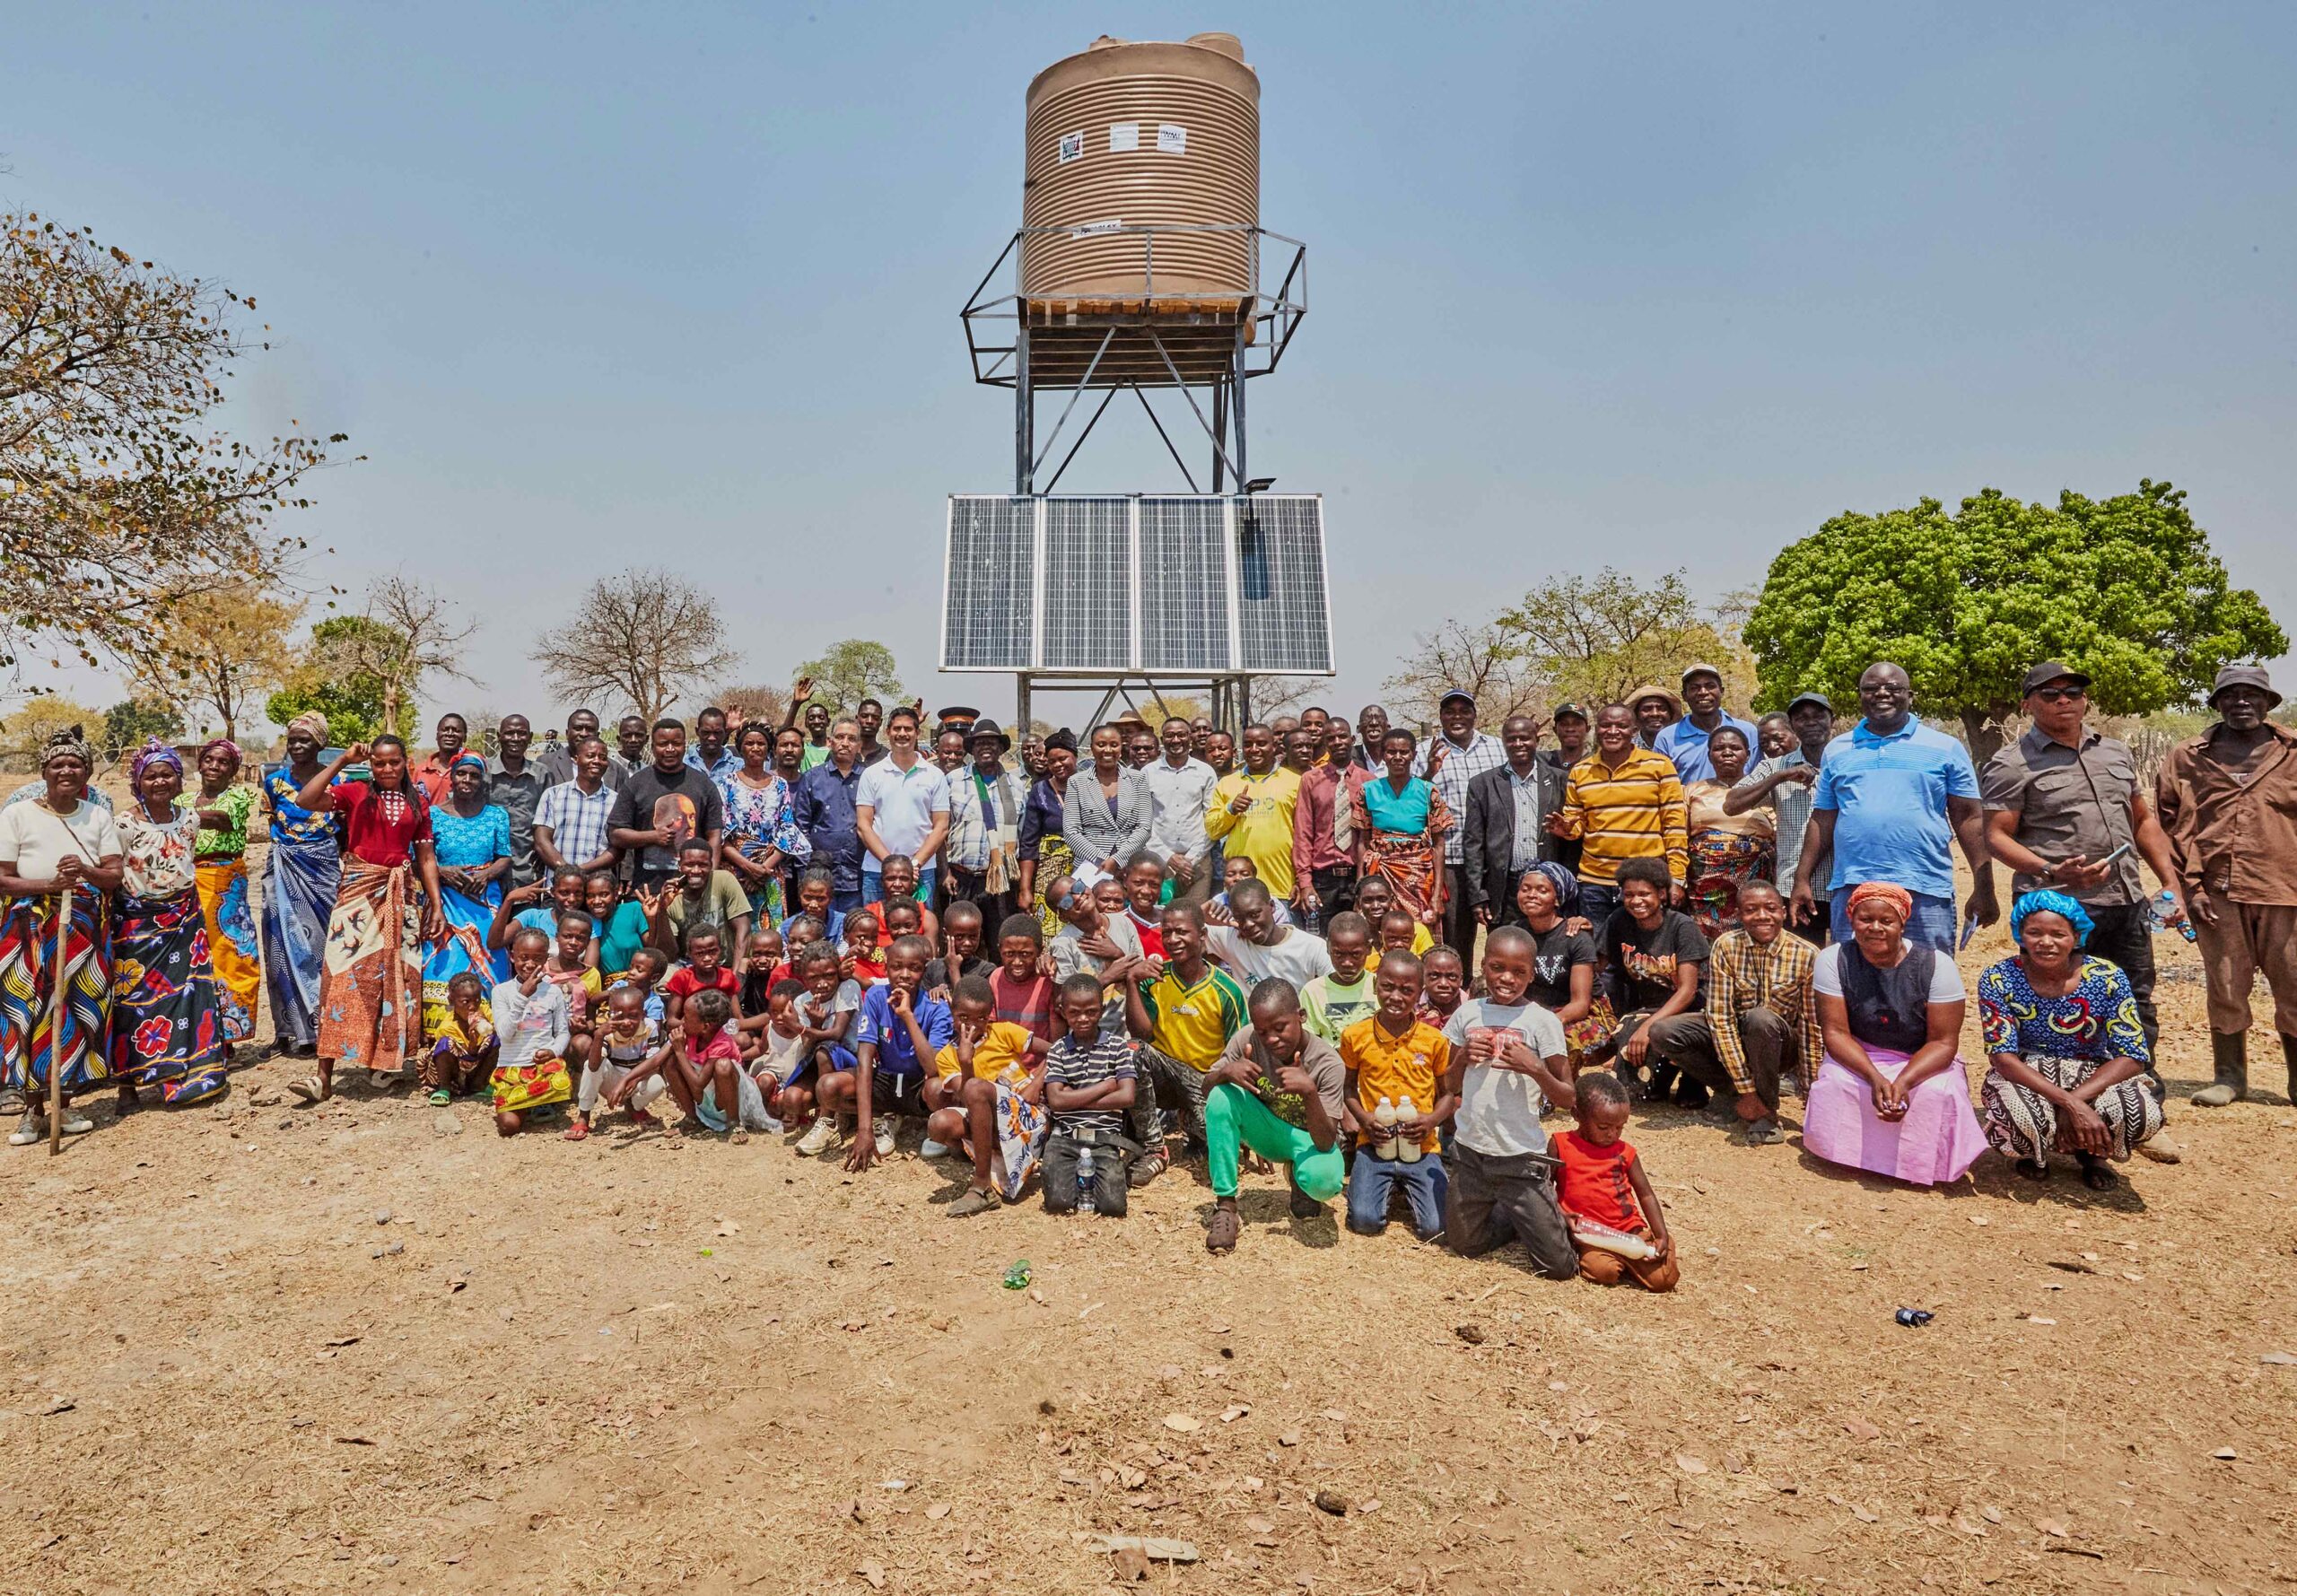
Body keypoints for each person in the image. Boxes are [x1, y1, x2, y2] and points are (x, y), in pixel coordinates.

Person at [1982, 661, 2188, 1069]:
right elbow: (1996, 836)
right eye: (2050, 694)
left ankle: (2140, 1102)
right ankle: (2055, 1102)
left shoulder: (2113, 752)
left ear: (2085, 700)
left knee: (2133, 1000)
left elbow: (2143, 821)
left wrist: (2171, 883)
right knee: (2054, 1002)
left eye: (2073, 693)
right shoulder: (2012, 763)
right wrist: (2053, 870)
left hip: (2124, 900)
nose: (2064, 700)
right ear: (2027, 704)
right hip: (2056, 907)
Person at [2156, 665, 2297, 1107]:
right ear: (2216, 703)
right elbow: (2163, 820)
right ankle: (2229, 1077)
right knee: (2225, 983)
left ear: (2268, 702)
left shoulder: (2294, 751)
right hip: (2212, 891)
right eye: (2230, 695)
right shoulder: (2188, 756)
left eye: (2252, 694)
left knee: (2294, 982)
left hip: (2286, 889)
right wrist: (2182, 888)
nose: (2241, 702)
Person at [1792, 662, 1996, 953]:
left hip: (1925, 887)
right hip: (1854, 886)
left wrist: (1984, 884)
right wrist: (1802, 878)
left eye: (1893, 688)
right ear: (1860, 696)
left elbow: (1968, 818)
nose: (1882, 693)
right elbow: (1823, 819)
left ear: (1910, 696)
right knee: (1856, 983)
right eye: (1871, 689)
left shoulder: (1945, 747)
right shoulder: (1837, 750)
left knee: (1927, 980)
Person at [289, 737, 445, 1103]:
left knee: (396, 976)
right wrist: (343, 760)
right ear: (371, 765)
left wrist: (435, 905)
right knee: (341, 974)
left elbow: (425, 858)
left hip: (401, 893)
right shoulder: (356, 792)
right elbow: (306, 799)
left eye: (393, 763)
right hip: (359, 890)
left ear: (406, 763)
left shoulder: (417, 802)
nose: (387, 770)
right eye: (379, 763)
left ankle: (383, 1066)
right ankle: (322, 1077)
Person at [1803, 881, 1987, 1186]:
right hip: (1862, 1053)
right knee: (1837, 1084)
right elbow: (1835, 1032)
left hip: (1920, 1058)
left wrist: (1903, 1081)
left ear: (1902, 922)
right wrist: (1875, 1078)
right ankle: (1851, 1158)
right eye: (1865, 919)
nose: (1875, 927)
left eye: (1886, 921)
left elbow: (1943, 1042)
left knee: (1936, 1093)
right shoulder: (1833, 959)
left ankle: (1921, 1166)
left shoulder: (1937, 965)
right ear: (1851, 920)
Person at [1978, 891, 2163, 1189]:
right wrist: (2068, 1103)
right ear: (2020, 935)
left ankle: (2093, 1156)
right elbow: (2002, 1056)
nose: (2046, 942)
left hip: (2092, 1069)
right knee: (2019, 1116)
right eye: (2034, 933)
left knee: (2142, 1113)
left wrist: (2074, 1102)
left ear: (2076, 936)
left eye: (2058, 934)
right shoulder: (1999, 977)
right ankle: (2034, 1153)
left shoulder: (2107, 976)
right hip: (2027, 1070)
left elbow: (2133, 1054)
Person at [0, 728, 123, 1140]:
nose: (66, 771)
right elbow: (2, 879)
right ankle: (31, 1112)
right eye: (58, 765)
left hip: (82, 926)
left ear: (87, 772)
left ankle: (64, 1106)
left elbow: (113, 876)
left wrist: (84, 872)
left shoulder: (98, 816)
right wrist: (52, 885)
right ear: (44, 772)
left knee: (71, 1009)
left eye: (75, 764)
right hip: (27, 928)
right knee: (28, 1009)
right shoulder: (18, 814)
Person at [1440, 925, 1579, 1279]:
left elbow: (1567, 1097)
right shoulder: (1467, 1014)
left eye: (1519, 972)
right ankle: (1512, 1216)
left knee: (1557, 1268)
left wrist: (1536, 1070)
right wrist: (1461, 1059)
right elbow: (1448, 1083)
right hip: (1472, 1153)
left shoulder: (1542, 1022)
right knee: (1464, 1245)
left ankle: (1528, 1212)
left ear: (1532, 974)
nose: (1507, 979)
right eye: (1498, 968)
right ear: (1484, 966)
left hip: (1520, 1159)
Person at [104, 740, 230, 1112]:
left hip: (184, 919)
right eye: (151, 776)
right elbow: (114, 872)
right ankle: (128, 1085)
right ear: (137, 783)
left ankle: (186, 1078)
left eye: (167, 775)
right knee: (132, 1003)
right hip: (137, 925)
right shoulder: (125, 823)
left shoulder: (188, 819)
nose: (160, 782)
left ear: (179, 780)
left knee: (189, 997)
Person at [1201, 980, 1348, 1254]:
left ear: (1301, 1016)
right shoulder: (1245, 1040)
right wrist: (1226, 1073)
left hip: (1308, 1139)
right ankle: (1226, 1206)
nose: (1270, 1039)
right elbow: (1205, 1090)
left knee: (1325, 1182)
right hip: (1265, 1131)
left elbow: (1327, 1142)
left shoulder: (1328, 1063)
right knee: (1221, 1096)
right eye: (1262, 1031)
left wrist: (1310, 1093)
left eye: (1280, 1028)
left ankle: (1299, 1177)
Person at [1122, 902, 1249, 1185]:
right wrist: (1131, 981)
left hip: (1206, 1081)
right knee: (1131, 1051)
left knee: (1214, 1156)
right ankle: (1155, 1149)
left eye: (1182, 932)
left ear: (1202, 935)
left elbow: (1240, 1057)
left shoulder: (1226, 991)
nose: (1173, 940)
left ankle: (1194, 1123)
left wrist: (1247, 1121)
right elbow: (1140, 1034)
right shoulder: (1154, 977)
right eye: (1167, 933)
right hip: (1164, 1074)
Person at [1341, 951, 1454, 1242]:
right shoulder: (1355, 1036)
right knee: (1364, 1222)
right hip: (1374, 1144)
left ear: (1420, 992)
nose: (1395, 997)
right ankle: (1386, 1184)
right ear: (1376, 983)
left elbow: (1448, 1095)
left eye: (1407, 990)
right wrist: (1365, 1120)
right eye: (1388, 986)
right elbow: (1349, 1088)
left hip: (1422, 1146)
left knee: (1436, 1230)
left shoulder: (1434, 1041)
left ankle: (1408, 1186)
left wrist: (1430, 1121)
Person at [1698, 880, 1818, 1146]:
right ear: (1739, 916)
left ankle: (1767, 1111)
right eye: (1751, 910)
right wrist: (1746, 1089)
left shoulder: (1808, 955)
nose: (1762, 916)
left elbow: (1811, 1028)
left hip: (1780, 1047)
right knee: (1668, 1032)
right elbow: (1721, 1019)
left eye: (1770, 908)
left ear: (1784, 912)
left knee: (1760, 1018)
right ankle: (1735, 1094)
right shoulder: (1725, 946)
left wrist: (1812, 1096)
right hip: (1739, 1040)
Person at [1550, 702, 1689, 931]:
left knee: (1646, 961)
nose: (1613, 731)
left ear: (1634, 731)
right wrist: (1566, 830)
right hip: (1595, 883)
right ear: (1596, 729)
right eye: (1606, 725)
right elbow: (1576, 822)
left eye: (1621, 726)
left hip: (1645, 883)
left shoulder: (1659, 766)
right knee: (1601, 958)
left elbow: (1674, 826)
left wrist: (1676, 878)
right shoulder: (1581, 771)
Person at [924, 972, 1052, 1211]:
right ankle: (985, 1159)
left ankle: (981, 1186)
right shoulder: (946, 1057)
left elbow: (1057, 1051)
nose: (971, 1026)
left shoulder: (1003, 1032)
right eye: (963, 1017)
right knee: (938, 1123)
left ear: (989, 1017)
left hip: (1029, 1120)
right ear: (952, 1013)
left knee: (976, 1088)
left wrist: (1036, 1082)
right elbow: (966, 1099)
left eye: (980, 1018)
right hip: (993, 1127)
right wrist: (965, 1062)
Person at [1601, 858, 1715, 1107]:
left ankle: (1693, 1080)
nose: (1636, 901)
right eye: (1629, 894)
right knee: (1627, 1040)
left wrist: (1647, 1027)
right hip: (1649, 1008)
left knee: (1655, 1031)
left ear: (1662, 894)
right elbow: (1596, 964)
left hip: (1691, 1009)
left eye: (1645, 894)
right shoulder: (1619, 921)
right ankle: (1658, 1081)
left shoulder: (1681, 927)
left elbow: (1688, 990)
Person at [260, 713, 340, 1057]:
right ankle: (285, 1031)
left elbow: (345, 830)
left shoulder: (339, 782)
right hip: (282, 867)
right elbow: (270, 826)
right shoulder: (273, 782)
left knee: (321, 948)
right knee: (277, 945)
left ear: (320, 745)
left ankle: (323, 1028)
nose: (296, 747)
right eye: (292, 740)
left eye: (304, 740)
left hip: (322, 871)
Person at [1554, 1072, 1679, 1292]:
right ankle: (1621, 1261)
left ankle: (1644, 1253)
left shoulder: (1625, 1152)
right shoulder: (1561, 1144)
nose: (1613, 1134)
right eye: (1604, 1127)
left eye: (1620, 1127)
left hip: (1629, 1230)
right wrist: (1561, 1213)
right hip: (1592, 1235)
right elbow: (1544, 1185)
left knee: (1664, 1281)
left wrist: (1661, 1234)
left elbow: (1646, 1194)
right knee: (1604, 1272)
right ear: (1577, 1114)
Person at [1411, 690, 1507, 974]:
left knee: (1499, 930)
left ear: (1474, 715)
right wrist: (1428, 772)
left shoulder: (1497, 748)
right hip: (1450, 859)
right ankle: (1458, 991)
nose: (1457, 717)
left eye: (1464, 710)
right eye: (1449, 711)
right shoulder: (1422, 751)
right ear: (1441, 716)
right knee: (1455, 935)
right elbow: (1411, 800)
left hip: (1492, 858)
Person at [1726, 691, 1834, 942]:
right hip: (1794, 888)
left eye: (1818, 716)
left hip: (1843, 883)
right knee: (1802, 965)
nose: (1811, 722)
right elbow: (1732, 804)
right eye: (1802, 718)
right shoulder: (1775, 767)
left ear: (1832, 720)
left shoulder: (1848, 761)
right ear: (1793, 725)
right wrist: (1781, 776)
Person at [842, 933, 955, 1166]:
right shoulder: (875, 997)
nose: (904, 975)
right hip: (887, 1080)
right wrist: (864, 1131)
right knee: (829, 1088)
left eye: (914, 968)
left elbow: (933, 1068)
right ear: (885, 969)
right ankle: (883, 1118)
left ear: (923, 971)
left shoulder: (937, 1007)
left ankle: (933, 1124)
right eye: (896, 967)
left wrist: (907, 1016)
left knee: (936, 1088)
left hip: (918, 1085)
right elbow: (864, 1060)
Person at [423, 752, 514, 1036]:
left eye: (474, 775)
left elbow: (505, 857)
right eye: (462, 773)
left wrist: (487, 874)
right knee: (444, 964)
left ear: (482, 780)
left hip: (484, 900)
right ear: (451, 776)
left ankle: (489, 1036)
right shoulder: (432, 815)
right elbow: (421, 859)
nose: (467, 780)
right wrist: (443, 871)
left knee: (491, 959)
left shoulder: (496, 815)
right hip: (444, 902)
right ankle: (443, 1039)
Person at [612, 986, 770, 1138]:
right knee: (670, 1060)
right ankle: (692, 1119)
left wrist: (681, 1052)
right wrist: (626, 1080)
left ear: (705, 1026)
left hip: (730, 1102)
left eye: (686, 1017)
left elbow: (699, 1084)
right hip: (706, 1100)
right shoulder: (688, 1031)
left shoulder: (723, 1043)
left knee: (723, 1065)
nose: (681, 1021)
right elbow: (657, 1059)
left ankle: (734, 1124)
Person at [1040, 972, 1138, 1217]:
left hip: (1104, 1140)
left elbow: (1127, 1096)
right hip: (1065, 1140)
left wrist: (1074, 1097)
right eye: (1074, 1012)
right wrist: (1105, 1086)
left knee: (1113, 1207)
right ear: (1063, 1011)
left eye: (1091, 1011)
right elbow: (1056, 1102)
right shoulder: (1058, 1051)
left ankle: (1105, 1173)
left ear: (1102, 1009)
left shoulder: (1117, 1047)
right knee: (1058, 1204)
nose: (1083, 1018)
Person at [188, 738, 261, 1052]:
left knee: (230, 954)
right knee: (194, 954)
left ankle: (230, 1032)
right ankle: (199, 1031)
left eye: (223, 762)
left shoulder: (238, 796)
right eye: (209, 760)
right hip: (188, 879)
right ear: (200, 764)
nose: (215, 766)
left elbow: (220, 819)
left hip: (224, 882)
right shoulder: (183, 798)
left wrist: (166, 814)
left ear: (233, 770)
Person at [1463, 713, 1566, 935]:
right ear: (1503, 741)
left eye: (1525, 738)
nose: (1518, 744)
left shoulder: (1560, 780)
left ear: (1536, 739)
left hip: (1549, 885)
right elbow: (1473, 844)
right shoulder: (1483, 785)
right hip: (1505, 888)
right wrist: (1478, 894)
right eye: (1511, 739)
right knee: (1507, 952)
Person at [1350, 727, 1454, 944]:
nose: (1398, 757)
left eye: (1404, 752)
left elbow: (1439, 845)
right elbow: (1362, 841)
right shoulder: (1368, 791)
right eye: (1391, 752)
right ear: (1383, 755)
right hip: (1380, 877)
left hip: (1418, 879)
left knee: (1418, 935)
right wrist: (1361, 882)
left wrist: (1436, 896)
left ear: (1413, 755)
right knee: (1378, 935)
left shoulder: (1428, 791)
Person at [607, 719, 726, 894]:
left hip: (692, 889)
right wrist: (653, 836)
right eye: (663, 744)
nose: (670, 749)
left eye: (676, 744)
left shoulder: (704, 785)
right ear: (653, 746)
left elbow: (714, 836)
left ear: (685, 746)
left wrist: (709, 878)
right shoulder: (636, 784)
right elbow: (616, 834)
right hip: (647, 889)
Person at [1515, 863, 1613, 1068]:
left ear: (1558, 898)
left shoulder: (1575, 937)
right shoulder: (1515, 934)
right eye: (1525, 889)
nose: (1532, 895)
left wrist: (1544, 1025)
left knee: (1558, 1041)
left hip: (1580, 1016)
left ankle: (1561, 1095)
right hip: (1535, 1011)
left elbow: (1580, 1005)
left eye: (1542, 890)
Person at [855, 705, 950, 905]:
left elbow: (941, 827)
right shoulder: (872, 774)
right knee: (875, 932)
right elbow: (864, 826)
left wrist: (913, 864)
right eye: (897, 729)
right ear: (887, 731)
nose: (902, 734)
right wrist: (891, 866)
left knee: (918, 932)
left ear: (918, 732)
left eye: (908, 729)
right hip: (877, 871)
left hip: (920, 872)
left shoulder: (934, 775)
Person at [1683, 725, 1774, 935]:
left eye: (1735, 747)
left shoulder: (1766, 790)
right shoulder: (1692, 790)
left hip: (1756, 883)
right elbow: (1679, 837)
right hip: (1704, 886)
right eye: (1719, 748)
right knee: (1704, 940)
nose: (1727, 752)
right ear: (1709, 755)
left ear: (1748, 754)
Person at [717, 724, 809, 929]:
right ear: (740, 749)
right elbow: (721, 834)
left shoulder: (779, 785)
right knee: (736, 934)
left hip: (770, 871)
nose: (756, 748)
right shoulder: (726, 784)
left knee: (769, 936)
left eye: (761, 743)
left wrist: (763, 869)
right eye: (750, 743)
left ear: (769, 749)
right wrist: (748, 868)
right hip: (735, 872)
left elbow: (787, 830)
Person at [486, 927, 575, 1135]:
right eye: (523, 957)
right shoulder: (501, 992)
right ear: (512, 956)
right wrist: (523, 996)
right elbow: (505, 1033)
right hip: (512, 1068)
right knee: (509, 1127)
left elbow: (563, 1032)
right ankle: (531, 1103)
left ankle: (534, 1101)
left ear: (545, 959)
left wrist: (553, 1051)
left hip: (542, 1067)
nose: (530, 964)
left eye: (537, 958)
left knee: (562, 1083)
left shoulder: (553, 992)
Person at [1205, 724, 1303, 904]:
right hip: (1237, 888)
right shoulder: (1227, 783)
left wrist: (1300, 880)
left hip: (1282, 885)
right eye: (1248, 744)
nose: (1254, 749)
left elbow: (1304, 836)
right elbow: (1212, 830)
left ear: (1274, 746)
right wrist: (1230, 810)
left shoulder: (1295, 782)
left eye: (1261, 743)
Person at [942, 719, 1023, 928]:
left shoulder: (1016, 786)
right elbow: (942, 830)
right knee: (963, 943)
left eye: (991, 742)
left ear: (1001, 748)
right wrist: (945, 872)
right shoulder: (954, 781)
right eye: (980, 743)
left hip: (1002, 881)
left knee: (999, 943)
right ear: (972, 749)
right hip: (962, 878)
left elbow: (1022, 834)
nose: (986, 747)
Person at [563, 982, 662, 1140]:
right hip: (613, 1081)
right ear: (610, 1014)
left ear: (643, 1014)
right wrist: (598, 1035)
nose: (626, 1022)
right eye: (619, 1016)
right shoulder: (607, 1031)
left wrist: (633, 1079)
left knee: (657, 1082)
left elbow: (654, 1063)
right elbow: (595, 1066)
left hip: (635, 1079)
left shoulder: (650, 1027)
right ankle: (584, 1115)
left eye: (633, 1015)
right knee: (590, 1065)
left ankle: (633, 1107)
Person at [1062, 724, 1153, 891]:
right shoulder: (1077, 782)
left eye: (1114, 744)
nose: (1108, 750)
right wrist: (1103, 859)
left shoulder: (1138, 779)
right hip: (1090, 866)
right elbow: (1071, 831)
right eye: (1101, 744)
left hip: (1131, 865)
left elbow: (1145, 827)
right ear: (1091, 748)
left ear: (1121, 748)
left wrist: (1118, 860)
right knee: (1086, 912)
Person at [1206, 879, 1334, 992]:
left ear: (1272, 906)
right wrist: (1201, 913)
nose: (1248, 924)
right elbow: (1189, 929)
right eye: (1239, 918)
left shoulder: (1311, 947)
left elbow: (1337, 988)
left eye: (1255, 914)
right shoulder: (1232, 939)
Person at [792, 717, 866, 912]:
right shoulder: (812, 778)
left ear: (859, 745)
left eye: (851, 739)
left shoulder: (869, 779)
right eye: (840, 737)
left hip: (858, 875)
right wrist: (809, 870)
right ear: (830, 742)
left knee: (855, 932)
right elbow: (801, 827)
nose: (845, 743)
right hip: (820, 877)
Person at [1147, 715, 1219, 905]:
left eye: (1181, 735)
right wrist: (1169, 857)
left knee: (1194, 917)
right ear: (1162, 740)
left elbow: (1211, 820)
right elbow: (1143, 821)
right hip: (1158, 859)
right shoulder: (1147, 773)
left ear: (1190, 738)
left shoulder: (1206, 772)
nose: (1176, 740)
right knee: (1159, 918)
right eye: (1170, 736)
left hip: (1198, 861)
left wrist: (1190, 859)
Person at [533, 734, 617, 884]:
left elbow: (617, 849)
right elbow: (542, 841)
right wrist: (566, 873)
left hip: (597, 891)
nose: (596, 761)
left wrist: (581, 871)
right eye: (590, 756)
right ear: (576, 759)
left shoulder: (616, 801)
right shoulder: (553, 794)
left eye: (602, 757)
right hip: (558, 887)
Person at [1017, 728, 1077, 937]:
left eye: (1063, 759)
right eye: (1052, 761)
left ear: (1075, 757)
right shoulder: (1040, 791)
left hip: (1083, 872)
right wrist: (1025, 889)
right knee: (1049, 931)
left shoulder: (1090, 788)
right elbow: (1028, 843)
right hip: (1047, 877)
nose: (1058, 765)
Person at [1654, 664, 1759, 783]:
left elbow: (1758, 780)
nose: (1703, 692)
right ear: (1684, 696)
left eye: (1710, 686)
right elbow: (1661, 785)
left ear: (1722, 691)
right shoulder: (1667, 738)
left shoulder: (1748, 731)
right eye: (1694, 688)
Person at [660, 840, 751, 972]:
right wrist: (661, 910)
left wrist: (736, 977)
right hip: (689, 967)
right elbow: (669, 954)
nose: (696, 870)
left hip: (726, 966)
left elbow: (743, 929)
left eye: (703, 865)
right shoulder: (672, 897)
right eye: (689, 865)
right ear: (680, 865)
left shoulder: (724, 880)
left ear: (711, 865)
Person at [485, 715, 546, 890]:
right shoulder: (482, 772)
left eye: (521, 733)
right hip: (487, 872)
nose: (516, 739)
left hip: (528, 871)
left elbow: (550, 823)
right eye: (509, 733)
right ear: (499, 736)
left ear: (531, 737)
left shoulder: (542, 775)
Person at [1301, 911, 1378, 1045]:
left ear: (1369, 948)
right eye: (1338, 954)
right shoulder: (1312, 991)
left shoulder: (1379, 985)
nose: (1347, 963)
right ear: (1328, 947)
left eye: (1355, 954)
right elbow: (1310, 1042)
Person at [423, 970, 497, 1105]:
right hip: (456, 1074)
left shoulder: (485, 1011)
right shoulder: (448, 1026)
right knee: (444, 1044)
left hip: (477, 1070)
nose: (473, 1006)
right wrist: (473, 1042)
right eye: (465, 1002)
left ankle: (480, 1085)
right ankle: (444, 1088)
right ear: (451, 1001)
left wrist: (489, 1025)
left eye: (477, 1000)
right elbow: (467, 1059)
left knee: (497, 1038)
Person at [411, 713, 469, 807]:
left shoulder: (470, 770)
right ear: (437, 736)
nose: (450, 734)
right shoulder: (420, 770)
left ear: (465, 737)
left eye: (456, 731)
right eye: (445, 730)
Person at [686, 705, 741, 784]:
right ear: (697, 731)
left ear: (725, 732)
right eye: (706, 732)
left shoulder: (738, 766)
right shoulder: (684, 764)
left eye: (717, 733)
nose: (712, 738)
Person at [1627, 684, 1681, 751]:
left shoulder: (1682, 746)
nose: (1655, 714)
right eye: (1647, 709)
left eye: (1661, 709)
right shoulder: (1626, 749)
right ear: (1636, 716)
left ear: (1671, 714)